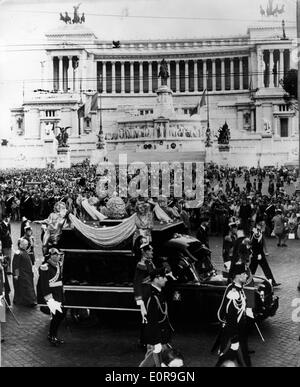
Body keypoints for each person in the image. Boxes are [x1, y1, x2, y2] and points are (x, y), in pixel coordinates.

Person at [215, 264, 255, 367]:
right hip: (234, 333)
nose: (246, 276)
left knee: (228, 359)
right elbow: (231, 316)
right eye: (244, 274)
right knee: (243, 360)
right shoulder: (233, 292)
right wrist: (234, 339)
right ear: (238, 276)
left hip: (239, 331)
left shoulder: (238, 288)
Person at [139, 268, 173, 367]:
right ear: (157, 278)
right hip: (156, 337)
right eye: (164, 277)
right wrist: (156, 341)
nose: (166, 280)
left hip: (160, 335)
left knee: (161, 362)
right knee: (154, 362)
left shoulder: (158, 292)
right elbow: (150, 320)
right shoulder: (152, 295)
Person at [37, 247, 66, 346]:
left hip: (58, 294)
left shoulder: (58, 265)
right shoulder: (45, 267)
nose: (58, 256)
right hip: (52, 296)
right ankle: (52, 336)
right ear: (51, 256)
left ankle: (53, 335)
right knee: (57, 315)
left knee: (60, 315)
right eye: (56, 255)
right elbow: (44, 285)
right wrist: (49, 299)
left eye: (59, 255)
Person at [12, 238, 37, 307]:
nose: (27, 245)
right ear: (21, 245)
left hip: (27, 273)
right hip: (23, 274)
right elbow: (15, 265)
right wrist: (16, 275)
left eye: (27, 244)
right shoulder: (18, 252)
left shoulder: (24, 251)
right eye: (25, 244)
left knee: (27, 287)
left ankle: (29, 301)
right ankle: (30, 301)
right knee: (26, 288)